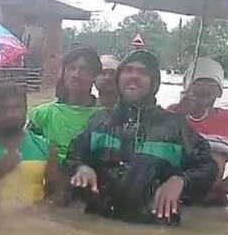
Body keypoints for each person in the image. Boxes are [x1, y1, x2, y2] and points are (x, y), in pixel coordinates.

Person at [65, 49, 216, 225]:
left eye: (142, 72)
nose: (133, 76)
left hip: (155, 230)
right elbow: (72, 156)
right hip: (97, 227)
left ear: (154, 82)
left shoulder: (176, 126)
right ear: (119, 78)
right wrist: (81, 168)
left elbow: (207, 168)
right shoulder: (99, 121)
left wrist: (181, 181)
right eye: (128, 70)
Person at [169, 57, 228, 205]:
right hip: (174, 197)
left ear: (219, 91)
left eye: (211, 83)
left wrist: (225, 186)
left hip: (213, 199)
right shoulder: (173, 113)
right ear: (187, 87)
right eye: (199, 83)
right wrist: (180, 115)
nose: (205, 88)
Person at [27, 45, 104, 164]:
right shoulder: (42, 115)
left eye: (84, 69)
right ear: (63, 73)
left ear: (94, 76)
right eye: (71, 68)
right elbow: (27, 152)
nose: (76, 74)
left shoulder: (105, 117)